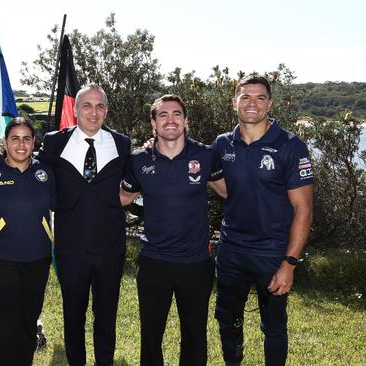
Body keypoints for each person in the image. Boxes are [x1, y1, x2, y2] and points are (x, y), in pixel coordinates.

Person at [211, 75, 313, 366]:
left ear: (269, 103)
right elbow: (192, 163)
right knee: (227, 320)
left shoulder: (290, 146)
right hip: (231, 251)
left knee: (274, 327)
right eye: (245, 97)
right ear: (234, 103)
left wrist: (289, 263)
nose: (251, 103)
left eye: (259, 97)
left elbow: (303, 209)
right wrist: (153, 145)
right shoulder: (222, 145)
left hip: (271, 253)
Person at [120, 94, 226, 365]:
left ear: (186, 120)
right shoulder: (138, 160)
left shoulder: (205, 155)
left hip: (196, 262)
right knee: (151, 335)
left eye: (176, 114)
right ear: (153, 123)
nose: (170, 120)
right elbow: (122, 197)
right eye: (163, 115)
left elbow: (229, 191)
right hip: (155, 261)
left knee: (194, 334)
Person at [38, 84, 131, 365]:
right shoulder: (55, 142)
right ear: (76, 110)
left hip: (109, 247)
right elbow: (33, 173)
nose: (94, 112)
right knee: (73, 315)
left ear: (106, 111)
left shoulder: (122, 144)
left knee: (106, 316)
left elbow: (135, 180)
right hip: (71, 248)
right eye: (87, 105)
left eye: (100, 106)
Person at [0, 117, 55, 365]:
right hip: (0, 260)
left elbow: (64, 204)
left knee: (29, 320)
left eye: (26, 138)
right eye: (15, 138)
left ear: (34, 142)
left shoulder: (46, 173)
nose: (21, 144)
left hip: (38, 259)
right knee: (7, 322)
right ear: (5, 142)